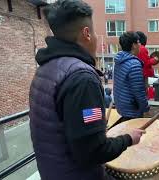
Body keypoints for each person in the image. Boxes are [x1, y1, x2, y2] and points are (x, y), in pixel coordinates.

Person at [29, 1, 145, 179]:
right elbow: (93, 152)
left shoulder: (45, 69)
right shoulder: (82, 79)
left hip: (53, 171)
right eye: (95, 32)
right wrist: (129, 138)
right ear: (86, 34)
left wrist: (95, 130)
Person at [113, 32, 150, 126]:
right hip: (131, 110)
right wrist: (146, 108)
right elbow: (139, 92)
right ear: (133, 45)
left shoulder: (119, 59)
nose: (140, 45)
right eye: (138, 42)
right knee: (134, 135)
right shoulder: (134, 65)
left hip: (121, 105)